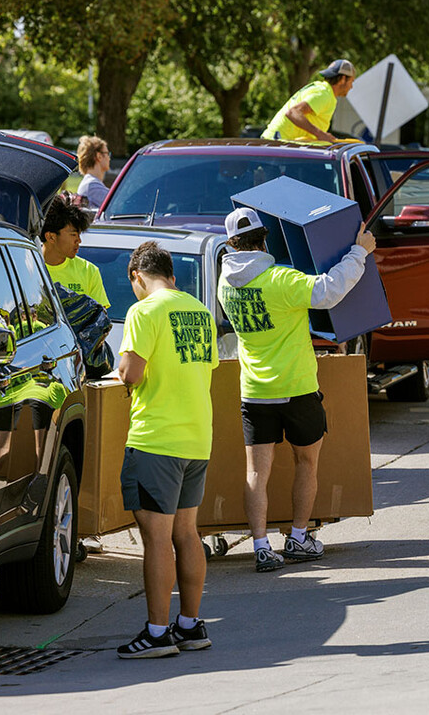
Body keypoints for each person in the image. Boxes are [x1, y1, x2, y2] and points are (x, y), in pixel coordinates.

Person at [218, 207, 375, 572]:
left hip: (254, 391)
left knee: (256, 473)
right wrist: (359, 252)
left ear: (231, 244)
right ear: (264, 238)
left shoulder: (226, 284)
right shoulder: (281, 280)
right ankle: (299, 538)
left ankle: (260, 545)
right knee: (307, 463)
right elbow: (329, 291)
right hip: (298, 387)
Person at [116, 241, 219, 659]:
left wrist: (122, 367)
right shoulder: (198, 310)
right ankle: (190, 626)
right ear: (172, 276)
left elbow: (130, 374)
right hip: (197, 438)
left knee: (156, 540)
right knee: (187, 534)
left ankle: (157, 633)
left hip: (156, 439)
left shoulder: (143, 312)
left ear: (137, 277)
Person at [41, 194, 110, 308]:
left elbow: (99, 320)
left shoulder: (89, 271)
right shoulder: (28, 269)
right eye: (73, 234)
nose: (79, 240)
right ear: (51, 237)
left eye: (79, 234)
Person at [261, 60, 356, 142]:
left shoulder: (322, 90)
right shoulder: (323, 94)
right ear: (343, 79)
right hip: (276, 144)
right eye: (351, 81)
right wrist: (320, 134)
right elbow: (293, 112)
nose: (351, 87)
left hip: (275, 143)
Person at [76, 136, 112, 210]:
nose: (109, 158)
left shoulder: (91, 183)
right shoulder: (91, 185)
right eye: (107, 153)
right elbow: (119, 205)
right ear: (99, 156)